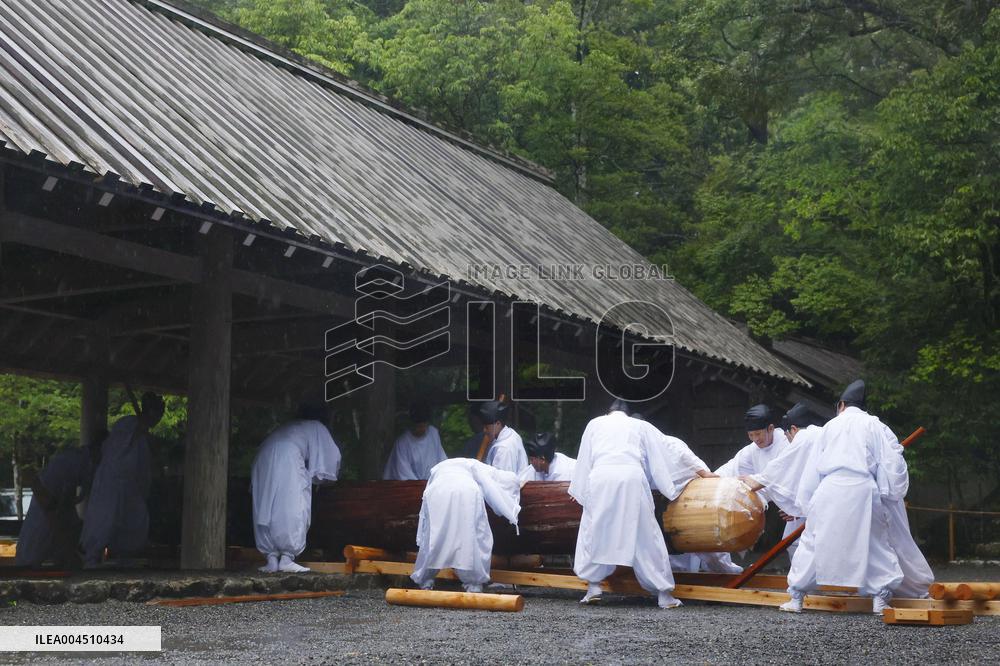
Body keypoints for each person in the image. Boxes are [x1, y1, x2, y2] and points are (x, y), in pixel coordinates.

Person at [780, 380, 904, 614]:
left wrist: (806, 502)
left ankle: (796, 597)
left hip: (830, 488)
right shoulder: (874, 425)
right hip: (863, 488)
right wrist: (891, 492)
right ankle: (880, 598)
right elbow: (892, 459)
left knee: (813, 541)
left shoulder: (830, 426)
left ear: (842, 405)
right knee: (874, 542)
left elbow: (813, 466)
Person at [570, 399, 708, 609]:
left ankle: (593, 586)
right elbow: (668, 449)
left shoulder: (594, 424)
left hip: (601, 477)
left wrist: (579, 489)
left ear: (609, 413)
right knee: (646, 534)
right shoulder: (640, 426)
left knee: (594, 529)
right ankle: (663, 594)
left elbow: (583, 459)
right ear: (627, 414)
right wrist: (698, 472)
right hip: (631, 477)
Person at [251, 404, 342, 573]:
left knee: (267, 505)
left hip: (263, 457)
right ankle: (286, 557)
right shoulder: (316, 426)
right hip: (288, 456)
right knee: (293, 504)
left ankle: (271, 558)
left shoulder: (289, 426)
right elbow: (331, 457)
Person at [410, 458, 522, 593]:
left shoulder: (444, 467)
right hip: (466, 489)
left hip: (438, 489)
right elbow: (502, 479)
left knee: (433, 535)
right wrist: (516, 486)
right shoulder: (474, 465)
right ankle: (474, 584)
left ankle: (425, 581)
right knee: (472, 536)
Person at [80, 393, 164, 568]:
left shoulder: (144, 437)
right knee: (104, 520)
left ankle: (124, 560)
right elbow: (116, 452)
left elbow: (143, 468)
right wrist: (138, 429)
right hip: (111, 483)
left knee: (135, 521)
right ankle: (91, 560)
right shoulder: (127, 424)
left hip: (130, 486)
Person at [741, 402, 824, 560]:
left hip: (819, 496)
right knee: (793, 542)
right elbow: (735, 466)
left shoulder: (803, 437)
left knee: (807, 544)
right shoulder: (818, 434)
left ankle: (804, 583)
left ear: (792, 430)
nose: (755, 439)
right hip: (809, 498)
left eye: (758, 434)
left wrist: (758, 480)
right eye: (751, 435)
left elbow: (783, 466)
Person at [16, 436, 102, 569]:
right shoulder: (73, 465)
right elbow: (53, 510)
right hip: (36, 550)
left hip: (40, 539)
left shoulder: (69, 463)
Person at [382, 401, 447, 480]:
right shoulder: (402, 443)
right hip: (409, 487)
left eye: (423, 426)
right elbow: (404, 474)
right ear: (412, 424)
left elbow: (442, 460)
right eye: (418, 426)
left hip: (431, 484)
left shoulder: (433, 434)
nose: (421, 429)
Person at [479, 400, 527, 473]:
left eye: (487, 427)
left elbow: (502, 481)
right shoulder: (511, 434)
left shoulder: (504, 449)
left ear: (498, 423)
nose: (484, 430)